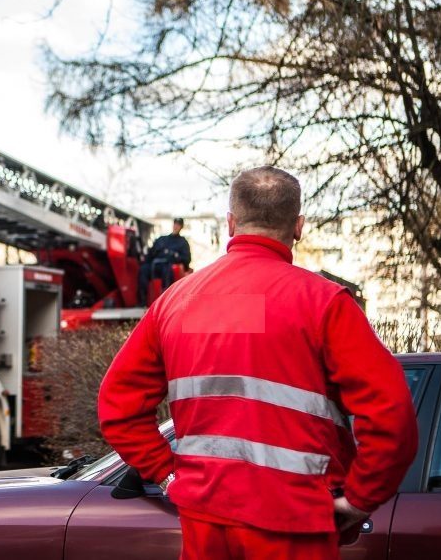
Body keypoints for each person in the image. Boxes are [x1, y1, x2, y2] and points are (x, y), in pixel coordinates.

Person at [99, 166, 418, 559]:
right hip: (296, 525)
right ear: (298, 226)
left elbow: (118, 406)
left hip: (205, 522)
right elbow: (392, 415)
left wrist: (168, 475)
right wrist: (359, 500)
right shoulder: (325, 303)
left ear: (231, 223)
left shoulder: (175, 302)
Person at [138, 217, 191, 305]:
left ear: (181, 227)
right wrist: (144, 260)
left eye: (178, 225)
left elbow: (186, 259)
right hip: (155, 265)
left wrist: (175, 256)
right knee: (143, 269)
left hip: (169, 266)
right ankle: (142, 301)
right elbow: (151, 253)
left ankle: (165, 302)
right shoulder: (162, 239)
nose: (176, 226)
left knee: (167, 271)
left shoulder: (183, 242)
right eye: (175, 224)